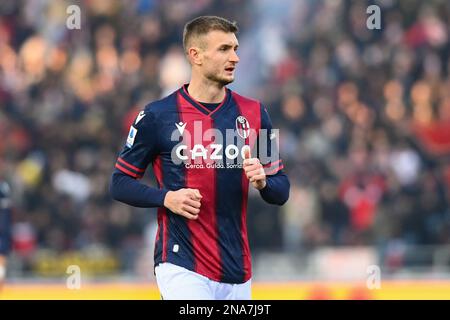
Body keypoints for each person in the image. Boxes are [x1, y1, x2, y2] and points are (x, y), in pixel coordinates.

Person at [110, 15, 290, 300]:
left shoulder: (255, 113)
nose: (235, 57)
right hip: (181, 263)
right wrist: (166, 198)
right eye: (224, 49)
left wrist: (264, 181)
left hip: (237, 269)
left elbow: (281, 189)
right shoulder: (157, 116)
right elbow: (119, 182)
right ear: (196, 55)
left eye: (235, 48)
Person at [0, 181, 12, 292]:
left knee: (2, 259)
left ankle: (1, 284)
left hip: (3, 232)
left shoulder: (3, 187)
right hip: (4, 231)